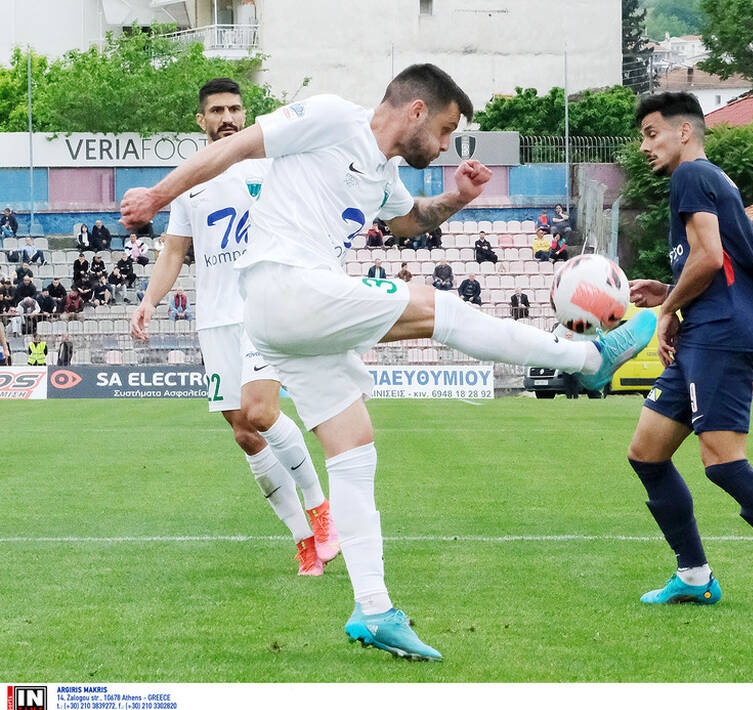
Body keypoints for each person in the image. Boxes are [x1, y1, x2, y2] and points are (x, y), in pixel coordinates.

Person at [119, 63, 655, 662]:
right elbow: (237, 148)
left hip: (295, 317)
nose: (449, 145)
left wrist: (457, 197)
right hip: (283, 288)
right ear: (417, 111)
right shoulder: (330, 117)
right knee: (436, 307)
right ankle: (584, 357)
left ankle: (373, 609)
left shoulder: (382, 172)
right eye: (449, 130)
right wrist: (157, 195)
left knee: (353, 449)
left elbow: (408, 222)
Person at [626, 91, 753, 614]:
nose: (644, 146)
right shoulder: (708, 180)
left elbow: (711, 258)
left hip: (723, 332)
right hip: (706, 329)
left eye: (652, 134)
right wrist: (669, 293)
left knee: (722, 462)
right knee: (647, 453)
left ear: (684, 131)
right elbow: (707, 260)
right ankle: (693, 576)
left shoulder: (691, 175)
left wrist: (667, 310)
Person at [130, 77, 339, 578]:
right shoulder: (188, 180)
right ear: (200, 120)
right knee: (245, 434)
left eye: (236, 109)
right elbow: (175, 249)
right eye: (218, 110)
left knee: (262, 412)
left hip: (263, 308)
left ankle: (321, 510)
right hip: (215, 318)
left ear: (246, 115)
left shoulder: (271, 166)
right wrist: (149, 300)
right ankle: (304, 540)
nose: (228, 117)